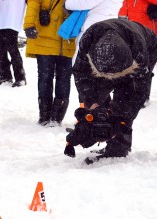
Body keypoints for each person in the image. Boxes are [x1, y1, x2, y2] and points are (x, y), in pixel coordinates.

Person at [65, 18, 157, 164]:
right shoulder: (88, 41)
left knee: (124, 101)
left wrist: (119, 117)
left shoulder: (138, 52)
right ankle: (104, 133)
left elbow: (138, 92)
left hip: (147, 45)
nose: (111, 79)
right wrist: (93, 105)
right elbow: (81, 76)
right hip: (109, 55)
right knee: (97, 101)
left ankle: (118, 148)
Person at [24, 0, 76, 125]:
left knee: (62, 78)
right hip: (45, 37)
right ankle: (45, 116)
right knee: (45, 77)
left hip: (68, 38)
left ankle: (57, 118)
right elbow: (34, 3)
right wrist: (29, 25)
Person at [0, 0, 28, 86]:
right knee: (0, 49)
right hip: (0, 14)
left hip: (14, 15)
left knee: (12, 48)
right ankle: (5, 76)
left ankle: (20, 77)